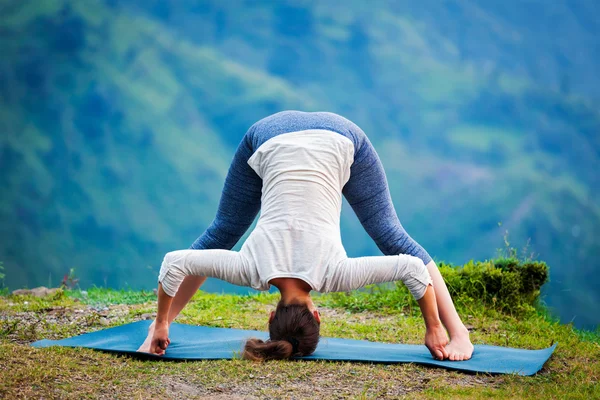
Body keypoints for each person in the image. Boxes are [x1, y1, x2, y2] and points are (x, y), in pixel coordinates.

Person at [137, 111, 474, 361]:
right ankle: (459, 333)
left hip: (338, 138)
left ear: (317, 315)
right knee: (220, 235)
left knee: (392, 239)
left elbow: (411, 268)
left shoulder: (335, 275)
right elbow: (175, 263)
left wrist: (432, 328)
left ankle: (458, 334)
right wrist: (162, 322)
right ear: (270, 316)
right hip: (270, 135)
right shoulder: (250, 270)